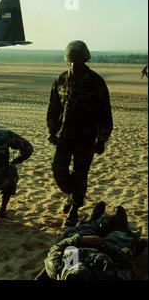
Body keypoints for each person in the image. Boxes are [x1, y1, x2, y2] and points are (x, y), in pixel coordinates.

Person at [47, 40, 113, 227]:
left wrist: (101, 140)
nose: (74, 64)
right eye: (71, 60)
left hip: (86, 138)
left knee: (80, 173)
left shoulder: (96, 83)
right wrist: (51, 130)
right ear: (67, 60)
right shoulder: (60, 79)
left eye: (78, 60)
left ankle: (74, 209)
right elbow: (53, 108)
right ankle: (72, 196)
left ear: (85, 59)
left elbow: (105, 114)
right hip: (64, 137)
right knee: (58, 169)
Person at [35, 202, 147, 280]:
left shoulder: (57, 269)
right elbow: (126, 265)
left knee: (69, 234)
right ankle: (121, 227)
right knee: (120, 236)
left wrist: (81, 239)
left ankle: (93, 222)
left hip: (81, 244)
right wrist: (104, 246)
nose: (78, 264)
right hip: (106, 251)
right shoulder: (107, 275)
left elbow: (56, 248)